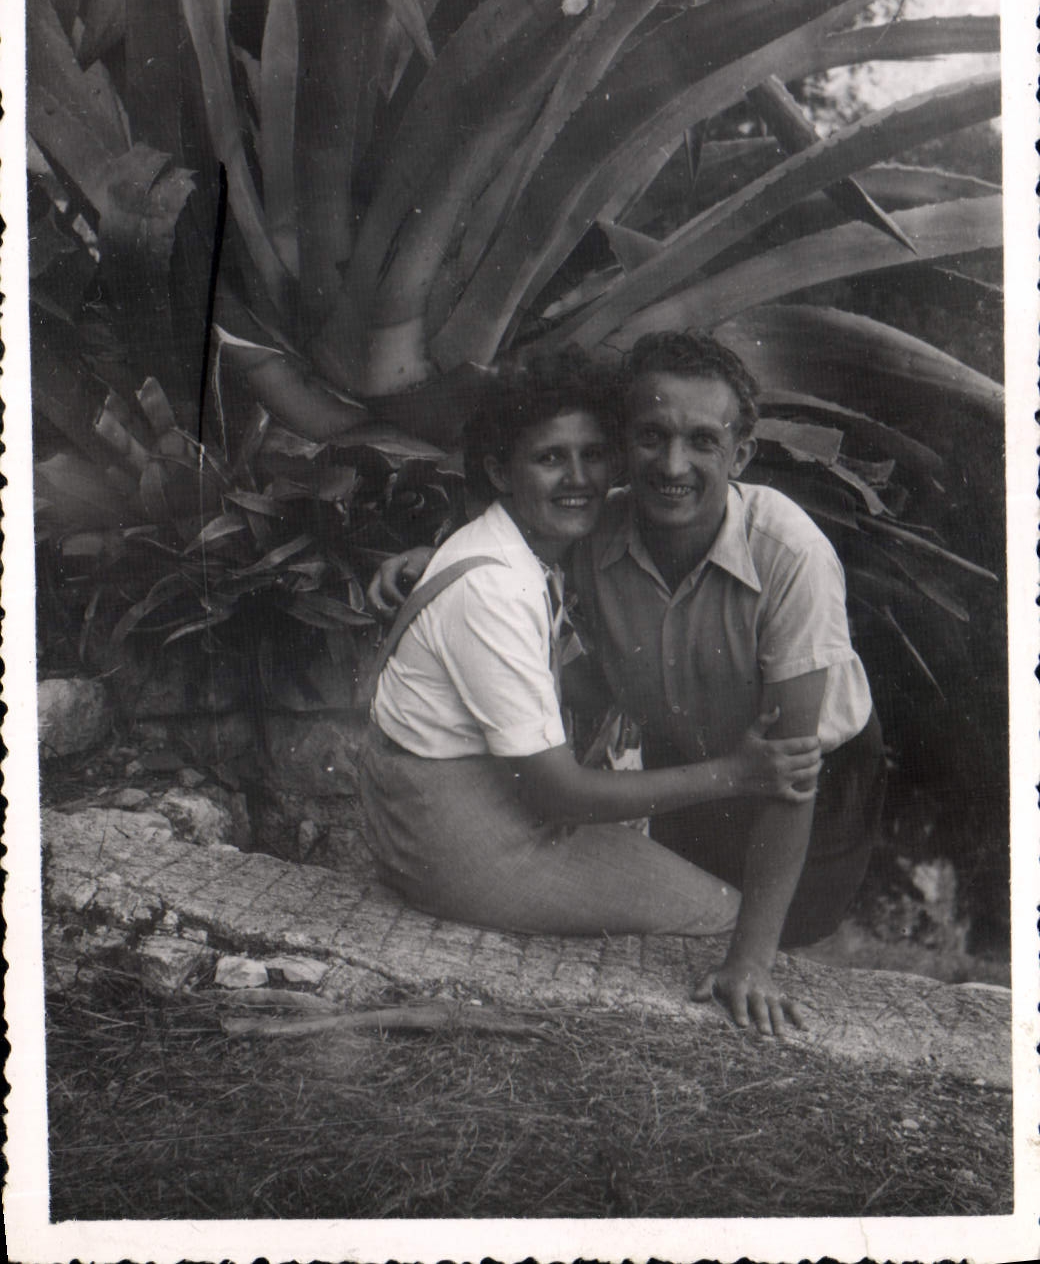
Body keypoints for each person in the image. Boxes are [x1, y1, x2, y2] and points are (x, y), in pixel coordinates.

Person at [369, 334, 885, 1037]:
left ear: (741, 455)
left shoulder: (791, 555)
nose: (674, 464)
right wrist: (437, 559)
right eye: (651, 436)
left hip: (810, 783)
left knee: (776, 936)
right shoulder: (600, 524)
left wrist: (755, 960)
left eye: (703, 441)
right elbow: (517, 541)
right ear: (629, 443)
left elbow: (790, 768)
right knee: (687, 915)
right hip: (705, 769)